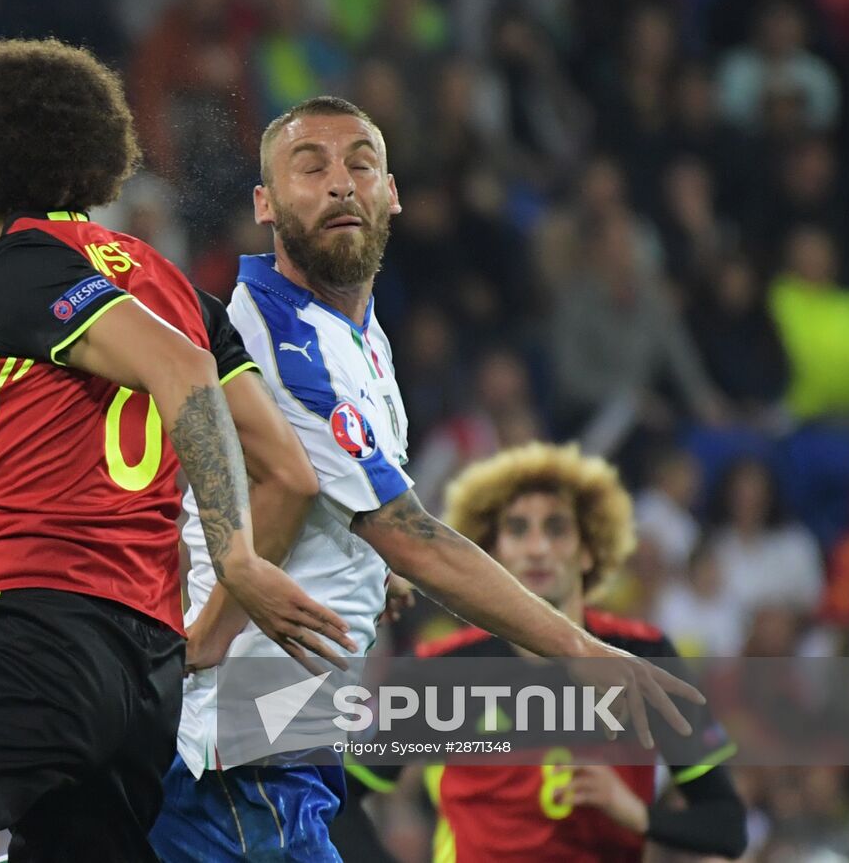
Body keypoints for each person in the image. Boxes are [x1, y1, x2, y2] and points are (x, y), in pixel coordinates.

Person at [0, 39, 352, 863]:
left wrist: (232, 557)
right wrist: (205, 631)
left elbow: (182, 371)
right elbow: (290, 473)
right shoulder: (178, 289)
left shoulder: (24, 262)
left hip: (29, 632)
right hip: (141, 678)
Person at [150, 97, 707, 862]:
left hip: (270, 733)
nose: (341, 183)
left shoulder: (357, 331)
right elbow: (415, 537)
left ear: (392, 192)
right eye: (310, 166)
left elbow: (349, 515)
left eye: (361, 164)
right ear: (265, 204)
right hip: (245, 747)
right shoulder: (287, 341)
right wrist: (585, 651)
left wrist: (367, 567)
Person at [334, 443, 746, 861]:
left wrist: (639, 814)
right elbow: (337, 800)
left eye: (556, 529)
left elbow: (727, 826)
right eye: (517, 529)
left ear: (589, 549)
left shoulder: (642, 655)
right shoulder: (438, 672)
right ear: (489, 555)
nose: (537, 548)